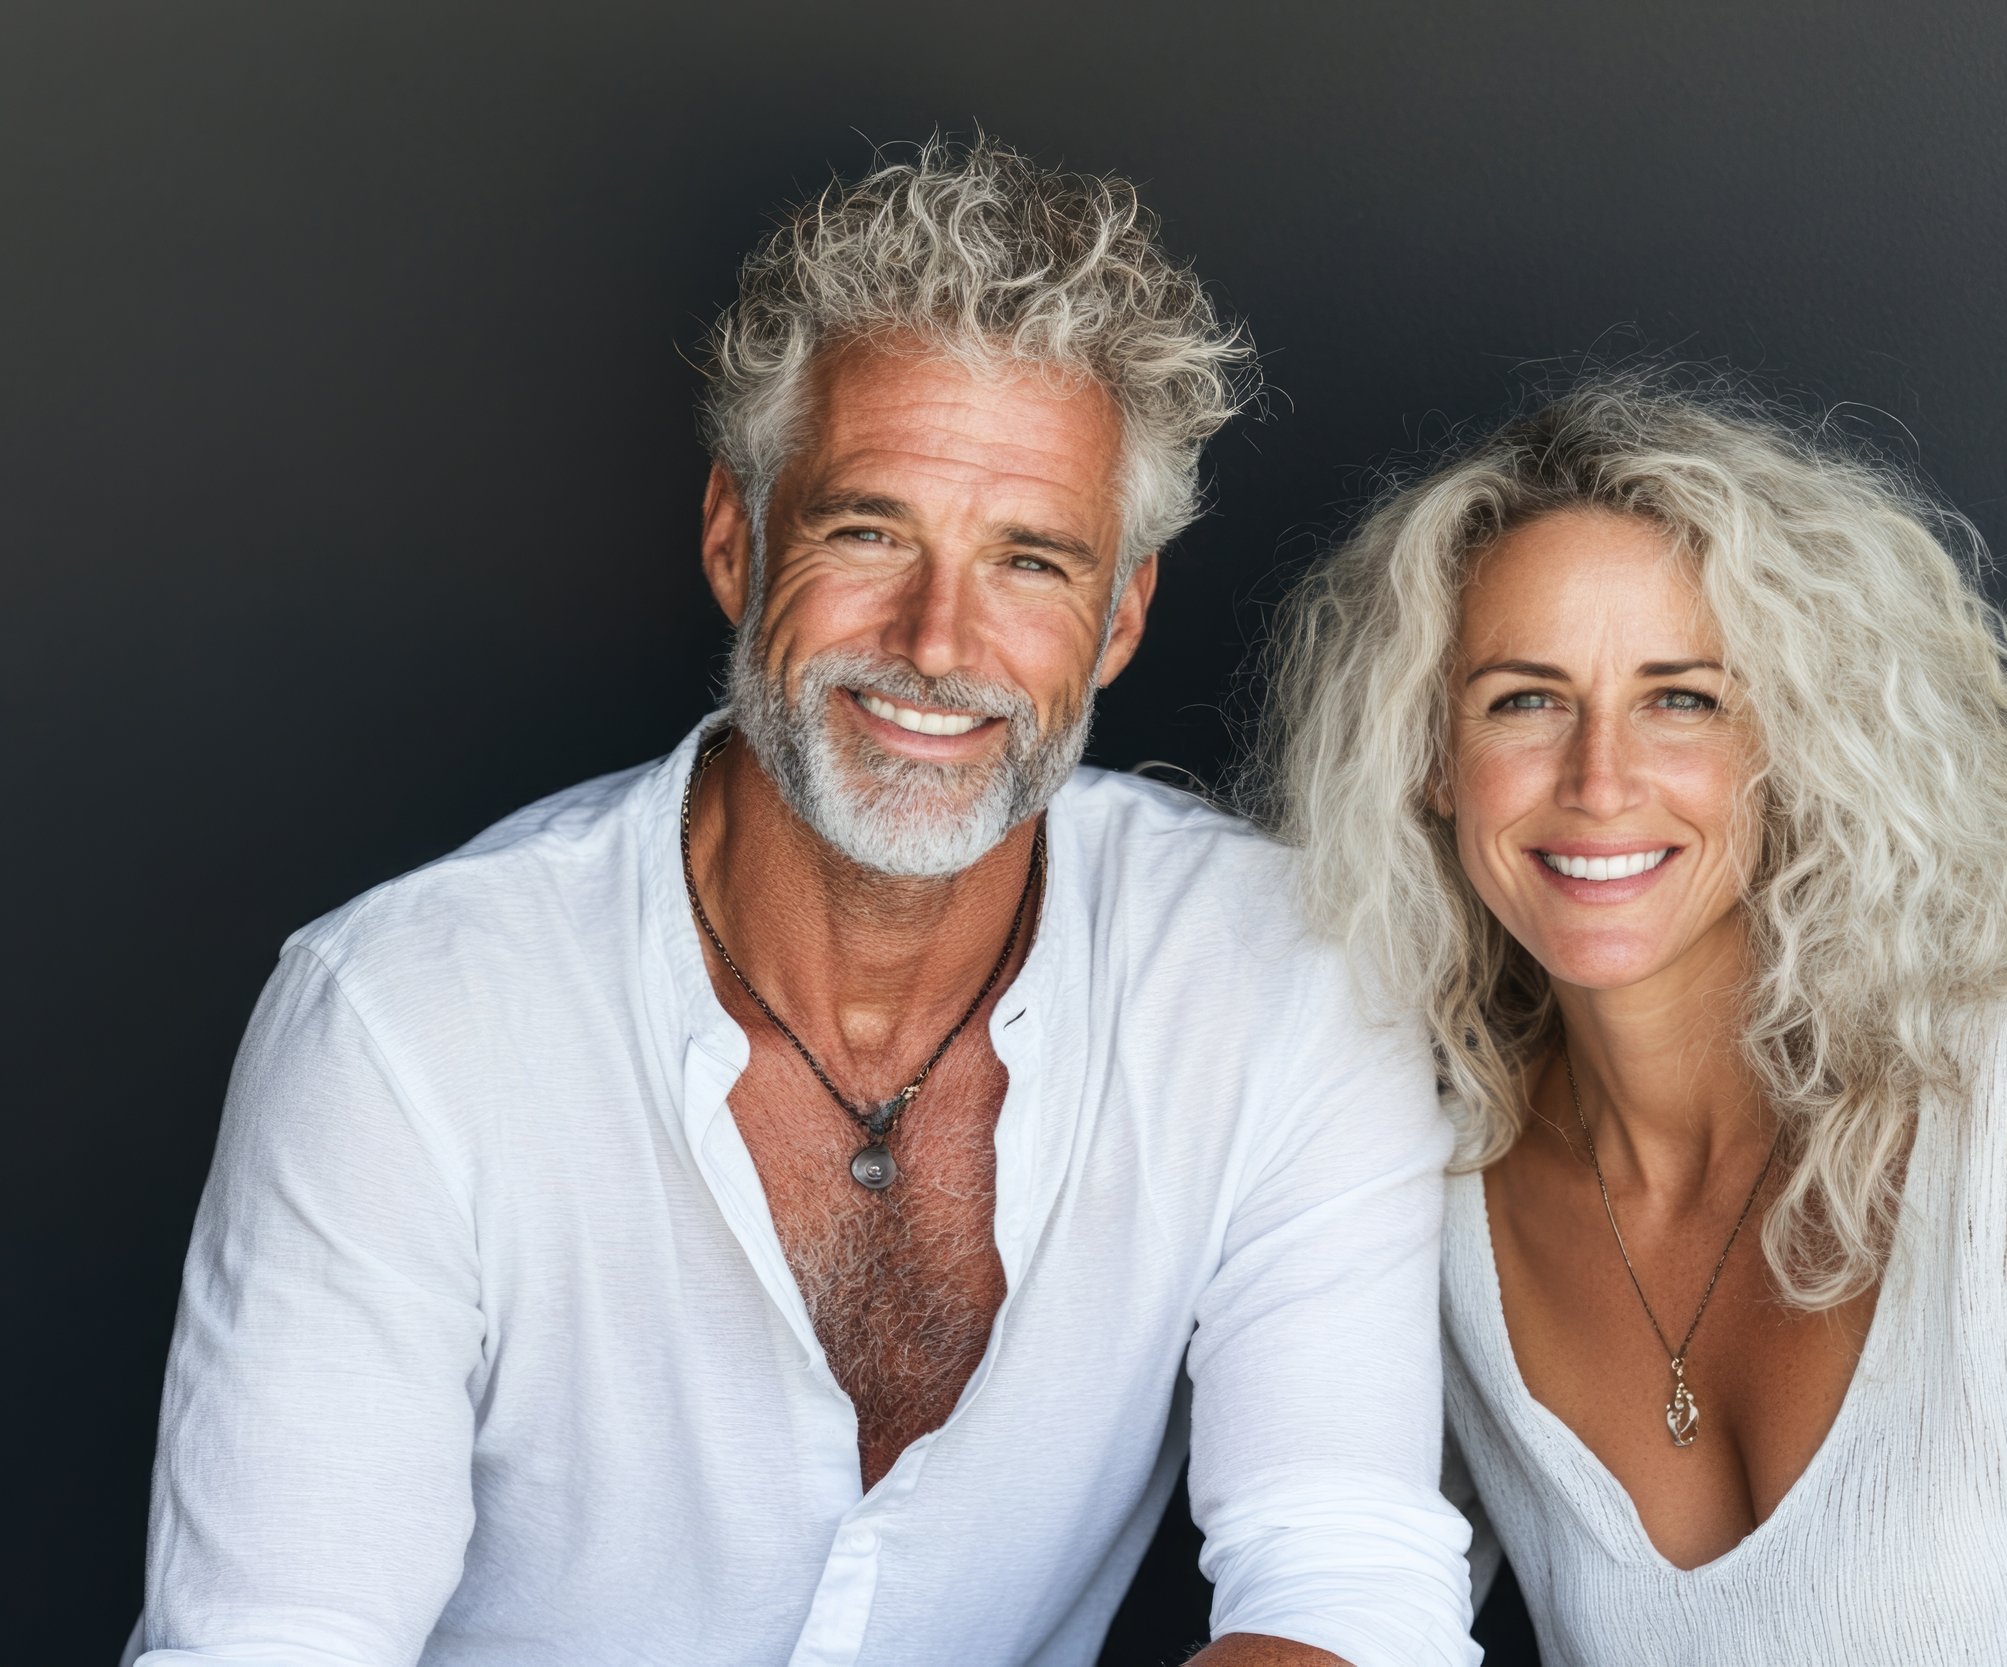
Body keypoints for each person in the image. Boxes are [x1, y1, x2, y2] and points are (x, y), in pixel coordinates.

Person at [136, 138, 1478, 1667]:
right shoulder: (402, 1025)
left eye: (1030, 560)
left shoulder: (1281, 976)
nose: (934, 639)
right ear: (736, 537)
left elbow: (1343, 1579)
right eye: (867, 530)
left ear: (1118, 619)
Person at [1256, 376, 2007, 1662]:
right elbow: (1341, 1596)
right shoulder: (1417, 1175)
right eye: (1523, 699)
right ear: (1426, 755)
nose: (1599, 777)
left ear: (1795, 739)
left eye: (1681, 696)